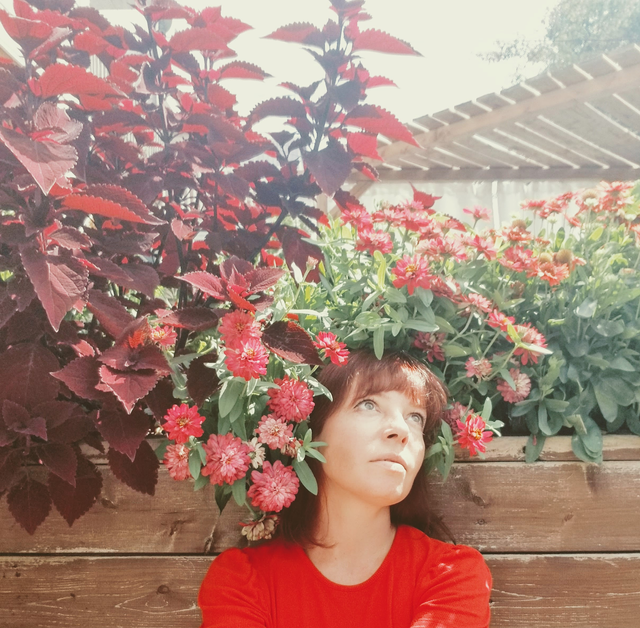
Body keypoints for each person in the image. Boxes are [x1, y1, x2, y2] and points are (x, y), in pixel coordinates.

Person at [198, 349, 492, 627]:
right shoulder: (241, 581)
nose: (402, 430)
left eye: (416, 417)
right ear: (309, 432)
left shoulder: (451, 574)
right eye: (369, 404)